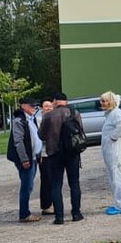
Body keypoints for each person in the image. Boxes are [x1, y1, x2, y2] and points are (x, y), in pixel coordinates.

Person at [38, 92, 86, 226]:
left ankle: (59, 217)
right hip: (72, 152)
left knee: (56, 185)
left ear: (54, 101)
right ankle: (76, 213)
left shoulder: (48, 116)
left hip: (55, 153)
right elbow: (81, 130)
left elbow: (41, 135)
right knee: (74, 183)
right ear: (66, 101)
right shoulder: (74, 113)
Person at [7, 97, 42, 223]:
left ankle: (25, 212)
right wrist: (24, 159)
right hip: (26, 159)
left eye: (35, 106)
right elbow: (18, 142)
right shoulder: (19, 121)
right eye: (31, 106)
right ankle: (24, 214)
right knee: (26, 186)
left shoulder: (31, 119)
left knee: (29, 185)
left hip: (33, 157)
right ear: (24, 106)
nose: (34, 108)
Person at [99, 91, 121, 215]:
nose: (103, 103)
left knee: (117, 178)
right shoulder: (110, 114)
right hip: (111, 151)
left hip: (115, 151)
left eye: (106, 101)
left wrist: (113, 137)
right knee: (114, 178)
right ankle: (118, 202)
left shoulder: (116, 113)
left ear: (111, 101)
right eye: (102, 101)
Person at [37, 98, 54, 214]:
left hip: (54, 153)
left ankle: (53, 203)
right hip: (44, 154)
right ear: (42, 108)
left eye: (50, 106)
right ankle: (46, 206)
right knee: (46, 179)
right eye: (46, 106)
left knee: (54, 179)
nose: (48, 108)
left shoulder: (55, 119)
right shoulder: (38, 120)